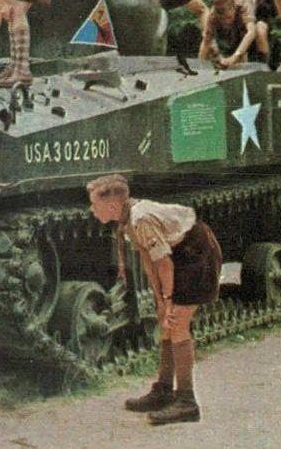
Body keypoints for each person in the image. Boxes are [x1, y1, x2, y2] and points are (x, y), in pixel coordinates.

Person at [87, 174, 221, 425]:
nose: (91, 209)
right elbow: (149, 261)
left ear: (113, 206)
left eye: (94, 204)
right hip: (178, 254)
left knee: (177, 324)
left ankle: (187, 402)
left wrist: (169, 300)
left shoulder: (141, 219)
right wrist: (159, 300)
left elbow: (164, 263)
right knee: (166, 323)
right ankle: (163, 390)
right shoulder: (127, 221)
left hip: (196, 253)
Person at [198, 0, 270, 68]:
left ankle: (264, 66)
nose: (226, 22)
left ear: (234, 8)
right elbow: (206, 41)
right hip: (237, 21)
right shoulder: (212, 16)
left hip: (255, 11)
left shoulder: (243, 4)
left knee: (260, 31)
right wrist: (200, 67)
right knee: (237, 58)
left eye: (228, 17)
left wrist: (235, 56)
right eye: (222, 19)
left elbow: (251, 32)